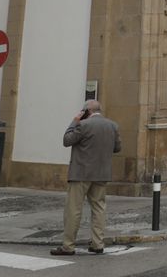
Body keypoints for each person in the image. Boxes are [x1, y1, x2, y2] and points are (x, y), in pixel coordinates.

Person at [52, 99, 121, 256]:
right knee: (99, 209)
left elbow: (66, 140)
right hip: (102, 173)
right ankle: (98, 244)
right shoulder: (112, 125)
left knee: (73, 209)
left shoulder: (82, 125)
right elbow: (117, 148)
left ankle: (68, 246)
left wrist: (74, 121)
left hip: (81, 173)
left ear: (86, 112)